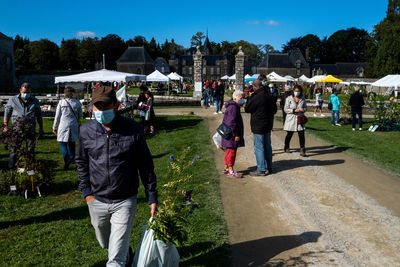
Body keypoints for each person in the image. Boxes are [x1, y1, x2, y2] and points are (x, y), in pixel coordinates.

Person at [76, 86, 157, 266]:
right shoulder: (86, 131)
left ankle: (121, 256)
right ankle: (124, 253)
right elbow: (81, 161)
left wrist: (151, 195)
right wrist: (87, 192)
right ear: (92, 108)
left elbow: (145, 164)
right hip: (96, 199)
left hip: (125, 199)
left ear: (116, 106)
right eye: (97, 107)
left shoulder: (133, 130)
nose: (101, 111)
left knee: (115, 259)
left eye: (105, 106)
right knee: (105, 242)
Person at [3, 82, 44, 169]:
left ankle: (30, 166)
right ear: (20, 90)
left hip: (30, 129)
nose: (26, 94)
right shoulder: (13, 100)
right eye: (24, 92)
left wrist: (41, 127)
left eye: (28, 93)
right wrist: (5, 125)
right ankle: (12, 167)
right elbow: (7, 113)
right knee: (14, 149)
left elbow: (39, 115)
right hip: (16, 129)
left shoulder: (35, 101)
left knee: (30, 149)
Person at [245, 80, 277, 176]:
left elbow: (247, 109)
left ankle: (261, 169)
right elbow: (274, 109)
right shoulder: (269, 96)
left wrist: (250, 97)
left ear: (255, 87)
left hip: (258, 124)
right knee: (267, 146)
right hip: (267, 124)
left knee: (259, 147)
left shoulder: (256, 97)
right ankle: (269, 166)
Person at [52, 87, 83, 169]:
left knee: (62, 143)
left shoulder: (61, 102)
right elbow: (81, 115)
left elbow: (57, 116)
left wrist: (54, 127)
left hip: (63, 124)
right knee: (72, 142)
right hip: (74, 124)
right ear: (73, 93)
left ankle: (67, 158)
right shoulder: (77, 102)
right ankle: (72, 157)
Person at [221, 90, 245, 178]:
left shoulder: (232, 106)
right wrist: (236, 134)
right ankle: (231, 170)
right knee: (232, 152)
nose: (242, 100)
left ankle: (226, 167)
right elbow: (232, 123)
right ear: (235, 97)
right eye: (241, 98)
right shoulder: (234, 108)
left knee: (228, 151)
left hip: (229, 133)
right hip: (232, 134)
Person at [283, 85, 308, 157]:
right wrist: (293, 110)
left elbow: (305, 107)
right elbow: (286, 109)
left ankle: (302, 149)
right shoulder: (289, 98)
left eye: (298, 91)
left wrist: (304, 109)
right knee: (289, 134)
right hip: (291, 118)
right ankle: (286, 146)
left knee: (301, 134)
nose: (297, 93)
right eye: (295, 91)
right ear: (293, 91)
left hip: (300, 118)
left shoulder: (302, 99)